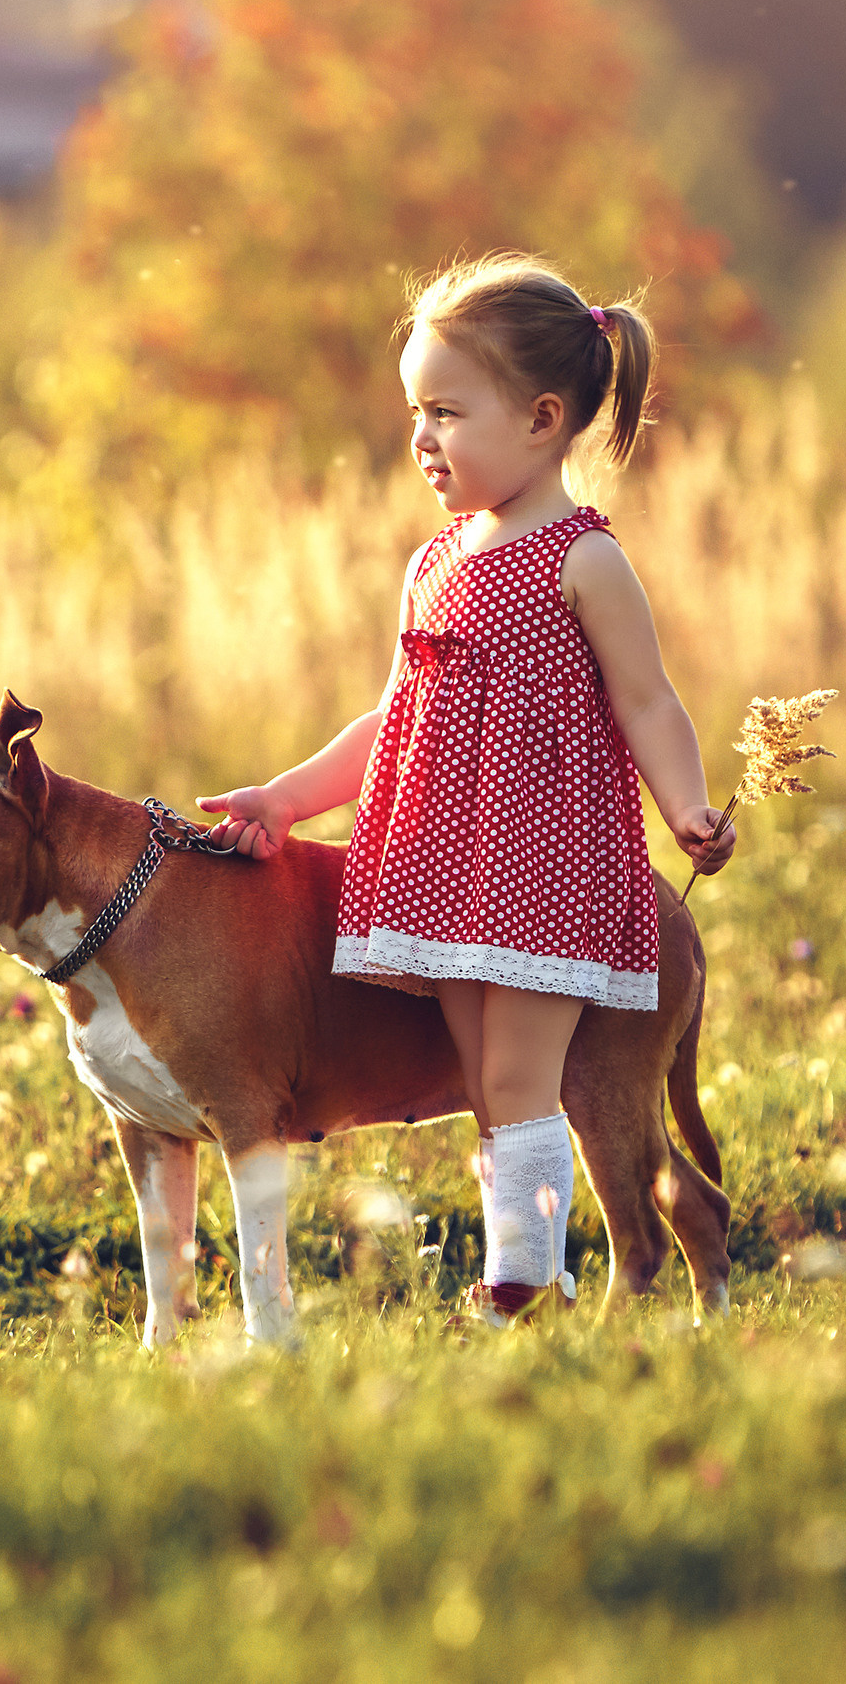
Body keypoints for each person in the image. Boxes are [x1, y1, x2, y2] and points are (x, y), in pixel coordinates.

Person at [195, 253, 736, 1326]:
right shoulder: (433, 561)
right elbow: (390, 716)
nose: (420, 439)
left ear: (541, 420)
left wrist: (685, 803)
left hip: (543, 867)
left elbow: (648, 702)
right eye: (413, 412)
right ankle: (527, 1271)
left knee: (525, 1084)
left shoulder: (583, 561)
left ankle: (519, 1285)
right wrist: (288, 798)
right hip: (441, 872)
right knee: (487, 1092)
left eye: (446, 411)